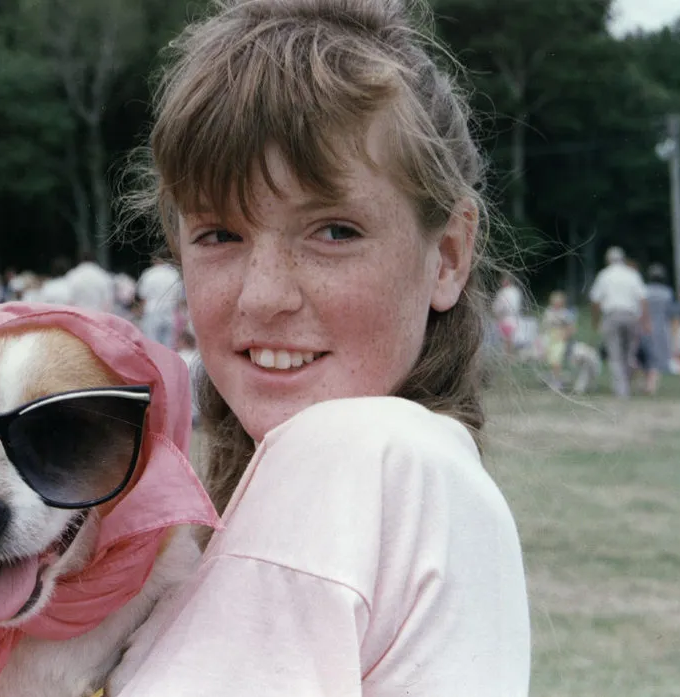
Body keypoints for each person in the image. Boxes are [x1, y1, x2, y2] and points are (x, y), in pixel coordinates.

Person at [113, 1, 530, 694]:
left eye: (333, 231)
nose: (261, 296)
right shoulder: (431, 474)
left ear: (449, 255)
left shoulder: (359, 450)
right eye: (219, 234)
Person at [589, 246, 648, 399]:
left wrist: (595, 321)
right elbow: (642, 298)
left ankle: (621, 390)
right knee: (629, 353)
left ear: (608, 260)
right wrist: (645, 320)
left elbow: (595, 300)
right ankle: (627, 384)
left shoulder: (604, 275)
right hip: (631, 316)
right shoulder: (632, 274)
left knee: (615, 354)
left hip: (612, 315)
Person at [136, 255, 183, 348]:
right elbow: (179, 297)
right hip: (169, 311)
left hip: (152, 311)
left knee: (151, 344)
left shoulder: (149, 273)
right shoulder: (173, 274)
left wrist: (141, 313)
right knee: (169, 345)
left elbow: (143, 296)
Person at [641, 263, 674, 395]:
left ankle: (648, 384)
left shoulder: (644, 291)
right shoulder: (667, 293)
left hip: (645, 327)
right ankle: (652, 385)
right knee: (658, 357)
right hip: (661, 327)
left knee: (647, 357)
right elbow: (670, 312)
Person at [492, 272, 523, 355]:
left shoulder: (505, 292)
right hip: (510, 318)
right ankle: (509, 355)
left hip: (507, 318)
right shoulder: (514, 291)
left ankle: (509, 356)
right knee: (508, 339)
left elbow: (500, 306)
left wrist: (497, 312)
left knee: (508, 339)